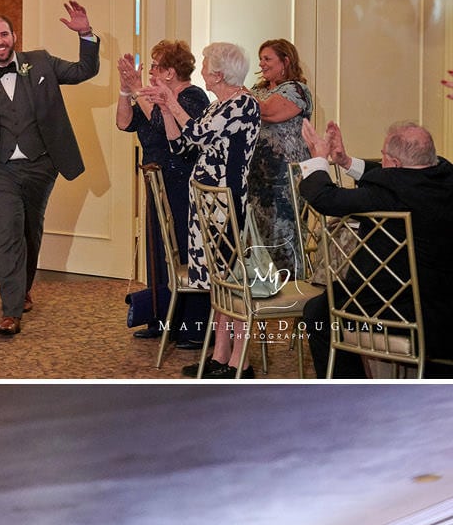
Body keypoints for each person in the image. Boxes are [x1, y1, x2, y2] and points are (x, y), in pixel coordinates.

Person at [0, 3, 100, 336]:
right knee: (9, 231)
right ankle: (10, 311)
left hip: (41, 165)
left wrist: (85, 33)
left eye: (4, 34)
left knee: (30, 231)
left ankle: (22, 289)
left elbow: (85, 70)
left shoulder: (40, 62)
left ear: (14, 36)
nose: (0, 40)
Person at [297, 117, 453, 376]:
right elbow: (400, 179)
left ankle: (351, 392)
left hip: (399, 310)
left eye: (383, 157)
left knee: (318, 313)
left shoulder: (387, 194)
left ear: (393, 163)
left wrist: (318, 159)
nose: (381, 163)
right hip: (444, 310)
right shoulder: (445, 175)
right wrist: (346, 162)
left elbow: (326, 198)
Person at [145, 42, 263, 374]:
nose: (202, 72)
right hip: (207, 203)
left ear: (220, 73)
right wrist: (167, 109)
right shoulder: (217, 105)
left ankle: (242, 359)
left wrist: (171, 101)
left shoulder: (243, 104)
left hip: (226, 204)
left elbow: (196, 132)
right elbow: (181, 144)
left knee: (230, 281)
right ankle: (219, 354)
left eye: (207, 66)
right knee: (217, 281)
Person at [117, 39, 210, 343]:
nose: (151, 70)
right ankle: (161, 319)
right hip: (156, 182)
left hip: (182, 183)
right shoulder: (152, 96)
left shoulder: (193, 96)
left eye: (156, 65)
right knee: (158, 251)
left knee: (184, 250)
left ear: (170, 72)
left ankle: (192, 325)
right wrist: (124, 90)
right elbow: (124, 123)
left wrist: (136, 89)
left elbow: (161, 124)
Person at [246, 37, 313, 280]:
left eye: (268, 58)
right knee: (257, 237)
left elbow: (269, 112)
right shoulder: (257, 89)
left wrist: (236, 89)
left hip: (285, 178)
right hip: (257, 176)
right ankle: (263, 293)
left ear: (285, 61)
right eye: (260, 58)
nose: (262, 63)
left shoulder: (296, 90)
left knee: (283, 238)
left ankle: (294, 296)